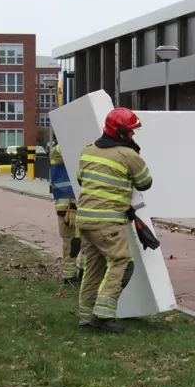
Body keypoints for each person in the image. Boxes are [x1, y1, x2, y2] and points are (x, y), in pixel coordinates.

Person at [75, 107, 152, 333]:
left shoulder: (88, 150)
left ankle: (85, 317)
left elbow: (82, 179)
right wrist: (135, 155)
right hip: (108, 223)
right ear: (120, 132)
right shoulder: (129, 156)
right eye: (131, 132)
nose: (133, 136)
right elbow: (145, 182)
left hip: (85, 220)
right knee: (122, 263)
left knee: (93, 268)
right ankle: (103, 315)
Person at [49, 136, 83, 285]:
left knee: (87, 240)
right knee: (70, 241)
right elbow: (68, 151)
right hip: (66, 205)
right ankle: (69, 276)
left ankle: (84, 271)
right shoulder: (57, 151)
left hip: (80, 203)